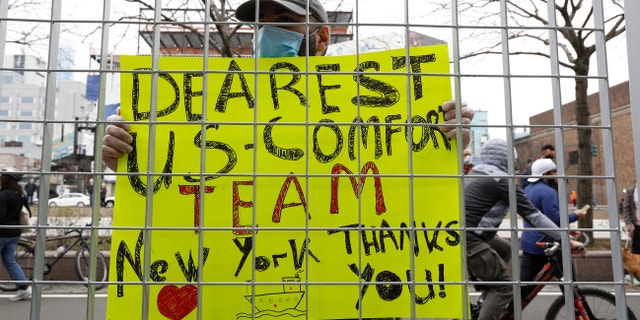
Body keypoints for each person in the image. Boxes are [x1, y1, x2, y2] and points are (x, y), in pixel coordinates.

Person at [102, 0, 476, 171]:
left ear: (323, 36)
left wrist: (445, 144)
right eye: (261, 23)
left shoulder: (374, 103)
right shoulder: (222, 105)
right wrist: (122, 154)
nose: (268, 33)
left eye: (284, 19)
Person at [465, 139, 583, 320]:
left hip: (466, 232)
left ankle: (487, 289)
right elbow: (534, 215)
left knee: (504, 248)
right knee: (504, 288)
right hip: (471, 238)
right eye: (514, 158)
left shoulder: (476, 172)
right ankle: (493, 292)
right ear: (507, 159)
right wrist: (564, 238)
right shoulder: (502, 181)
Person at [520, 158, 586, 298]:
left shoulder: (528, 189)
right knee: (571, 287)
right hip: (548, 244)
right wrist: (575, 215)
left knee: (522, 289)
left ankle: (507, 312)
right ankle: (577, 311)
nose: (556, 174)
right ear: (545, 174)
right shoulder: (548, 192)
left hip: (529, 243)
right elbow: (555, 219)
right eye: (554, 171)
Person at [0, 168, 32, 301]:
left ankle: (24, 288)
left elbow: (0, 217)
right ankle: (24, 288)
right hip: (15, 233)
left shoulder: (4, 194)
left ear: (6, 179)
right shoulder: (20, 193)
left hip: (2, 233)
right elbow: (28, 212)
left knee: (10, 260)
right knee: (10, 260)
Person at [623, 182, 640, 254]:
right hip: (637, 227)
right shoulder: (631, 191)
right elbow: (626, 208)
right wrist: (629, 223)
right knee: (637, 250)